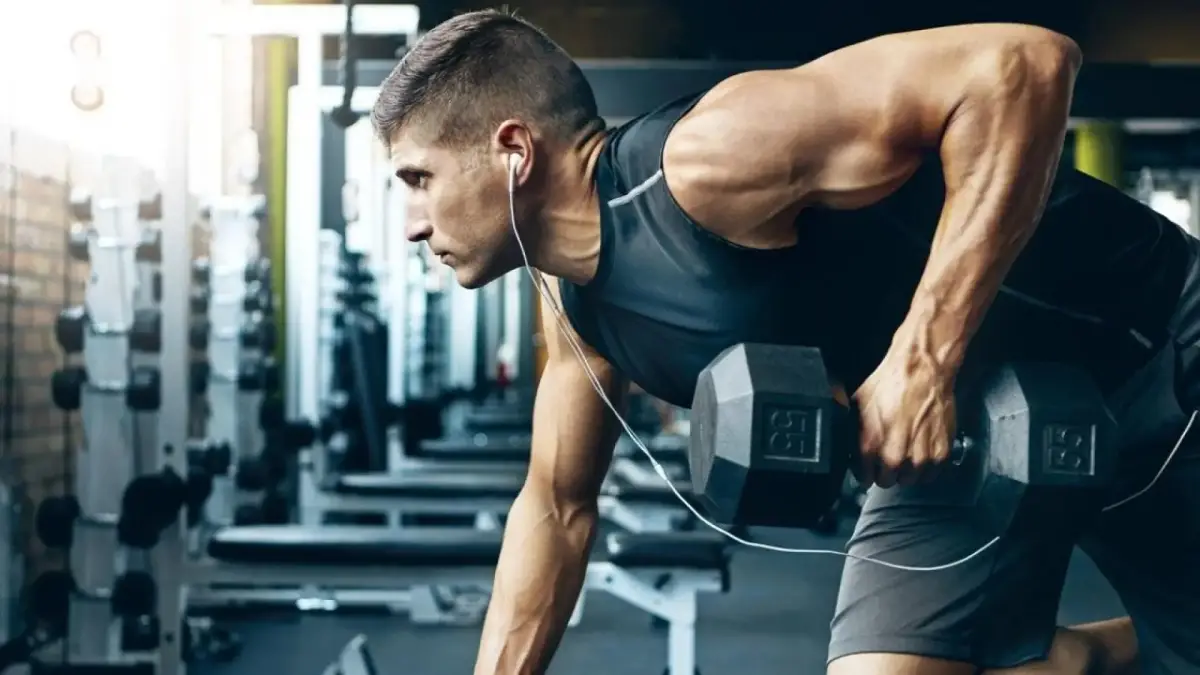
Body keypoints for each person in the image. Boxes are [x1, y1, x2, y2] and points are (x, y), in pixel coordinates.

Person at [371, 9, 1200, 675]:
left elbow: (1027, 63)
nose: (410, 224)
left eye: (418, 179)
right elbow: (555, 507)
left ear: (513, 150)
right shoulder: (581, 310)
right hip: (974, 430)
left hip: (1154, 347)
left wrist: (923, 355)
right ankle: (1116, 650)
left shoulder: (708, 159)